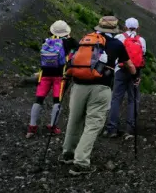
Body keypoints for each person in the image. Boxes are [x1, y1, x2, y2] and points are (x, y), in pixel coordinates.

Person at [58, 16, 137, 176]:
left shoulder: (86, 40)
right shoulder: (116, 44)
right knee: (93, 124)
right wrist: (135, 75)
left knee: (75, 119)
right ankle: (80, 162)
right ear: (114, 30)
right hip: (100, 88)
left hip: (78, 85)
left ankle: (68, 153)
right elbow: (129, 65)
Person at [26, 20, 78, 138]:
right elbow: (77, 48)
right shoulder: (70, 42)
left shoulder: (46, 40)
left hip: (44, 74)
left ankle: (32, 127)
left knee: (39, 99)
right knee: (57, 101)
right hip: (60, 75)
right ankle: (52, 126)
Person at [103, 17, 147, 140]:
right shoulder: (141, 40)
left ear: (125, 27)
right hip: (135, 72)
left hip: (120, 70)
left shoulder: (119, 38)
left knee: (116, 98)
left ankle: (112, 128)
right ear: (138, 27)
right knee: (133, 100)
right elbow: (143, 56)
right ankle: (130, 129)